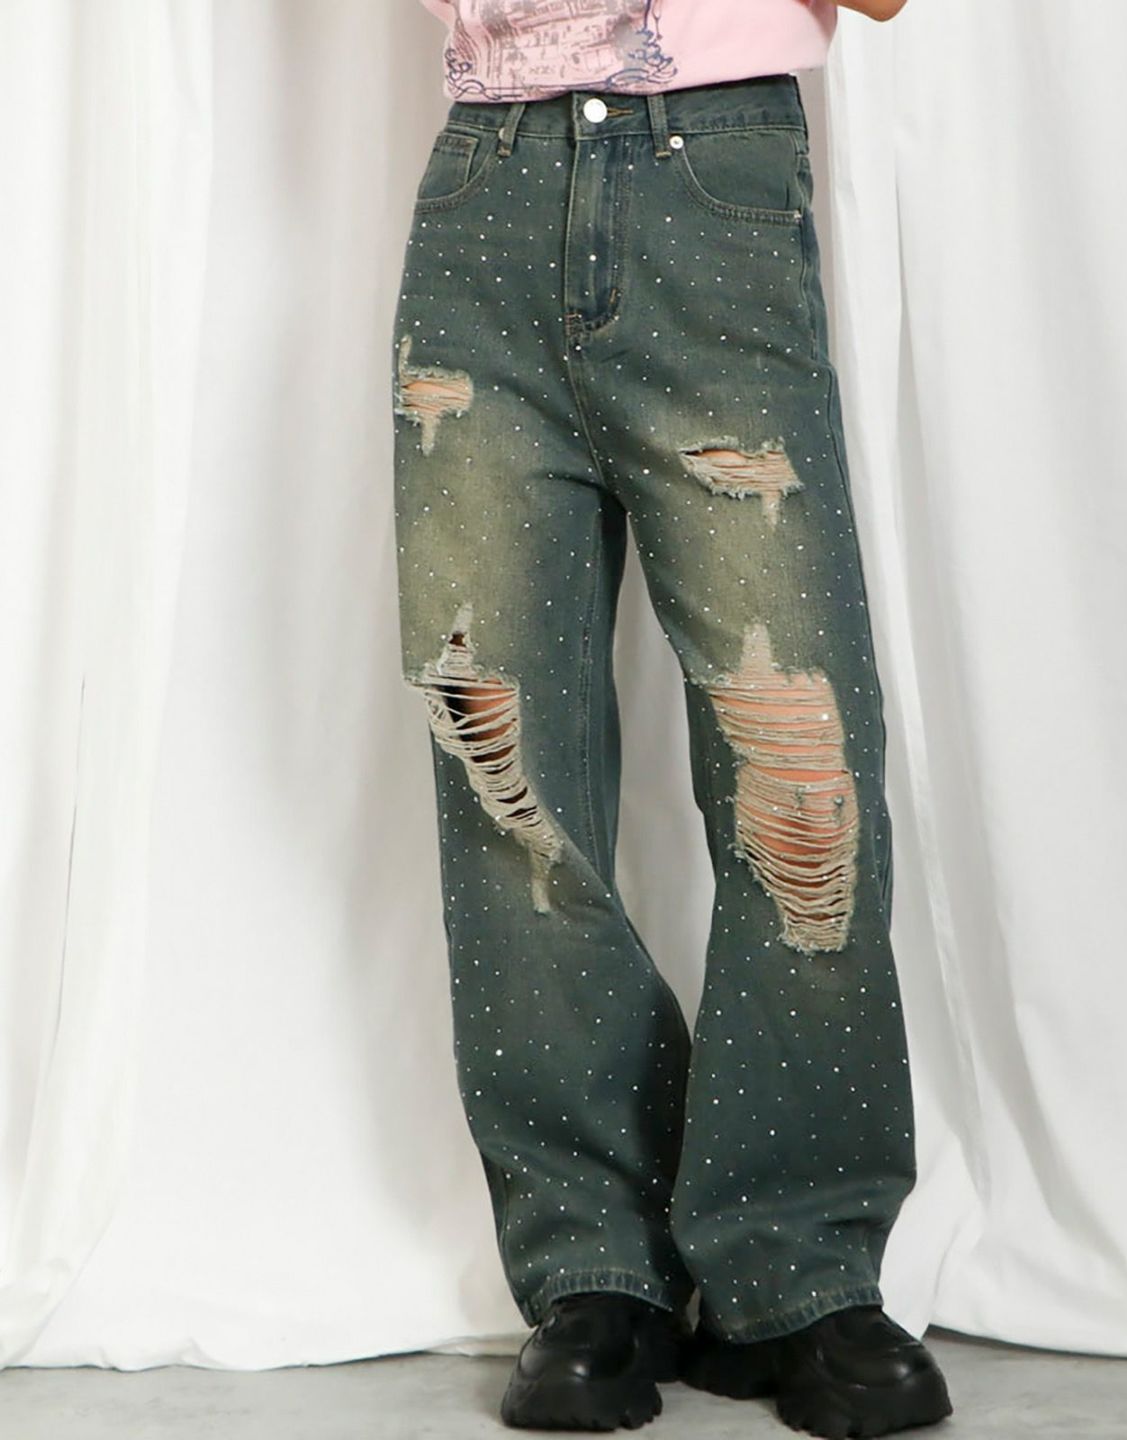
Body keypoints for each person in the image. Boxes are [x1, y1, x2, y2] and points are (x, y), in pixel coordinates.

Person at [392, 1, 953, 1434]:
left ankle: (796, 1269)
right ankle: (595, 1265)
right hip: (485, 191)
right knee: (505, 773)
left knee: (798, 760)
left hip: (716, 179)